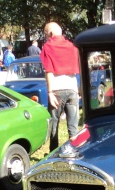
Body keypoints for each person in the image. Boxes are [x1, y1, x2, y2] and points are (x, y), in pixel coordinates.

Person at [40, 22, 81, 151]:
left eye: (46, 35)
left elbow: (49, 70)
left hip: (56, 89)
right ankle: (75, 153)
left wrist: (50, 92)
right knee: (73, 128)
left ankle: (54, 153)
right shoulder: (73, 46)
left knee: (54, 125)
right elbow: (79, 67)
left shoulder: (48, 46)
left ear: (50, 34)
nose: (46, 38)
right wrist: (79, 89)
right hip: (72, 88)